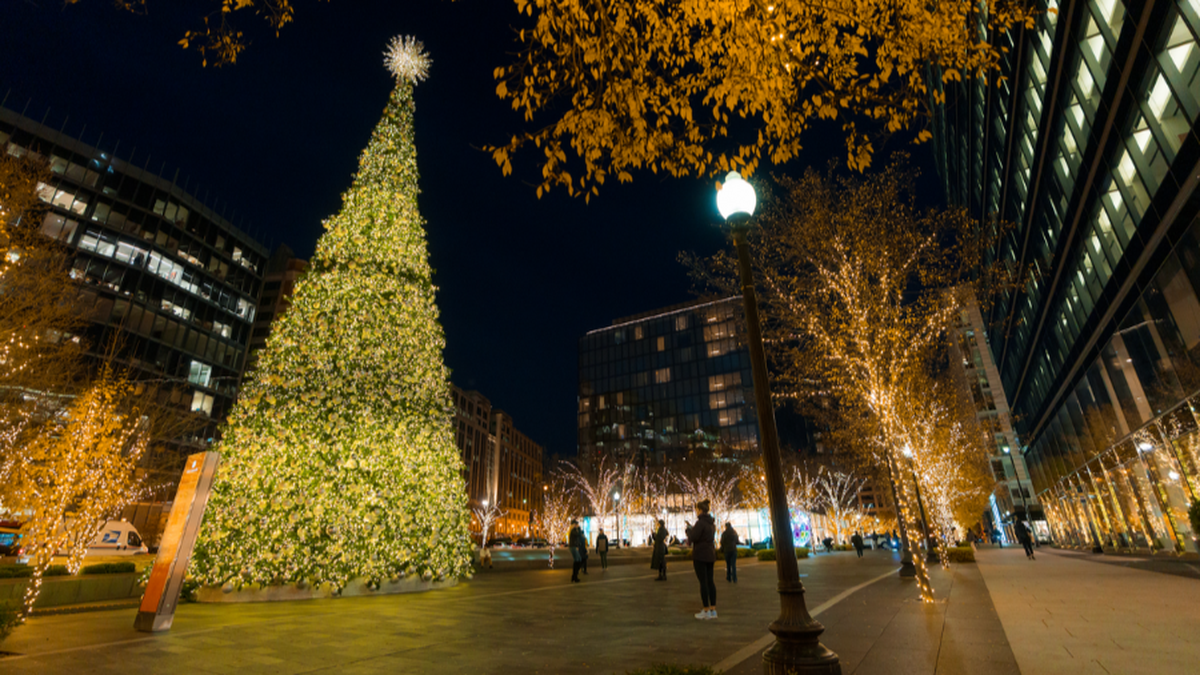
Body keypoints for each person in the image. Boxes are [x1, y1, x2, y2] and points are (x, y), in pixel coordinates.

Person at [686, 499, 718, 620]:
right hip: (710, 554)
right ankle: (713, 610)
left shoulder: (700, 523)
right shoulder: (711, 523)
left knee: (703, 582)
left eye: (696, 509)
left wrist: (689, 530)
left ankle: (706, 610)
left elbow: (693, 537)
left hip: (700, 555)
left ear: (700, 510)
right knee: (710, 581)